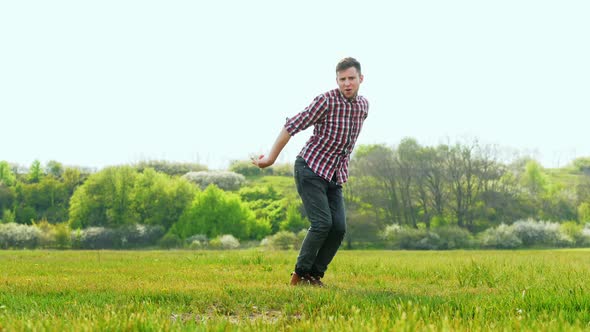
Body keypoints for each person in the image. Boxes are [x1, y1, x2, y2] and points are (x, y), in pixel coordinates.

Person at [252, 57, 369, 286]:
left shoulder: (364, 106)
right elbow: (292, 125)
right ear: (336, 80)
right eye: (342, 79)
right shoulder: (326, 101)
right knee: (322, 223)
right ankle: (299, 275)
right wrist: (271, 158)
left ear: (360, 79)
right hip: (310, 168)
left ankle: (314, 276)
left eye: (351, 79)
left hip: (334, 174)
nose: (347, 83)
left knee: (339, 228)